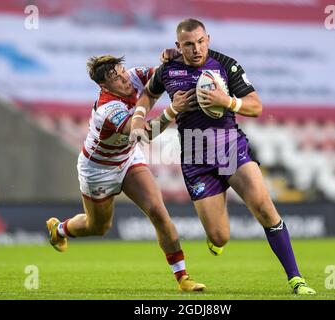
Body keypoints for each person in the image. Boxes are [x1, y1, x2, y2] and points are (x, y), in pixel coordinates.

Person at [131, 18, 316, 295]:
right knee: (219, 236)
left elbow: (256, 106)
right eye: (189, 44)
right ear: (177, 46)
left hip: (229, 146)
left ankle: (296, 279)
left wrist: (227, 102)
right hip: (195, 155)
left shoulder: (224, 65)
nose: (196, 49)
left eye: (201, 42)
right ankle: (216, 236)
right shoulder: (168, 69)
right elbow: (147, 95)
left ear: (209, 39)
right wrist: (139, 116)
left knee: (264, 208)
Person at [46, 54, 205, 292]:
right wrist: (173, 110)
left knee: (158, 212)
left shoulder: (134, 76)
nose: (124, 78)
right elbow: (144, 134)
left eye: (121, 71)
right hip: (98, 170)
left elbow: (167, 76)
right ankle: (59, 229)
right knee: (98, 227)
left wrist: (175, 60)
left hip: (128, 159)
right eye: (115, 78)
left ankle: (183, 277)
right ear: (104, 85)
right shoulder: (108, 108)